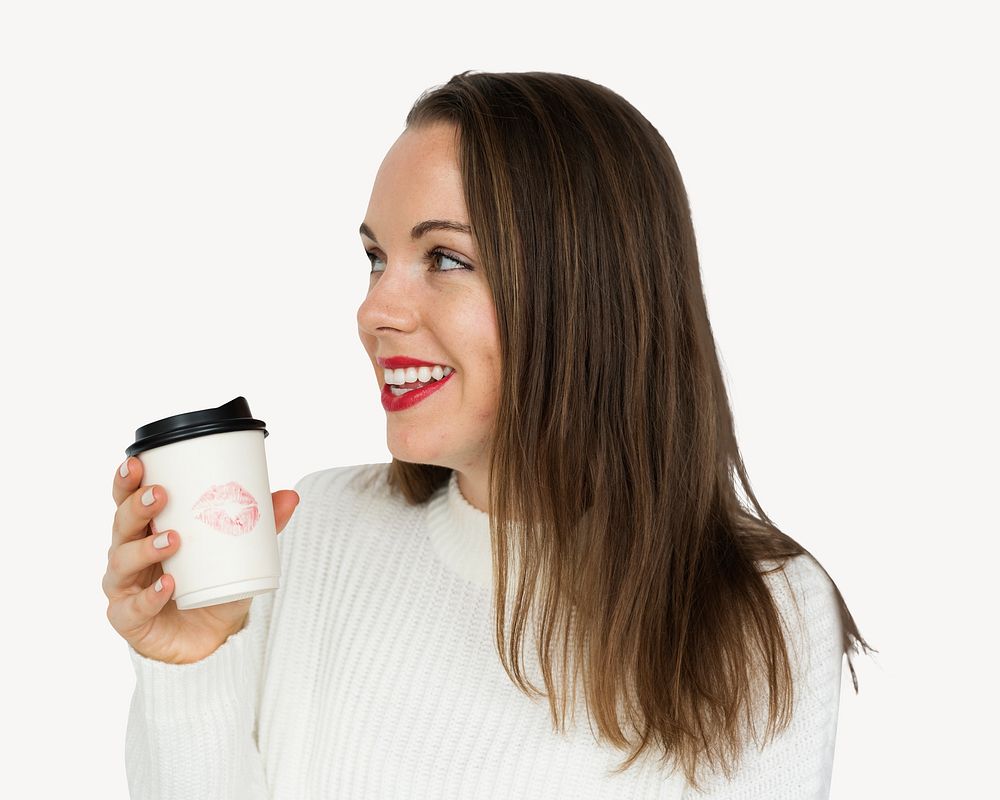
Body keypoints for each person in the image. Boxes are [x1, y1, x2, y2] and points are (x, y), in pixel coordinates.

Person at [104, 70, 874, 799]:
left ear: (583, 290)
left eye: (443, 257)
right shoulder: (314, 528)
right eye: (376, 259)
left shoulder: (764, 612)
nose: (377, 311)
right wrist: (192, 660)